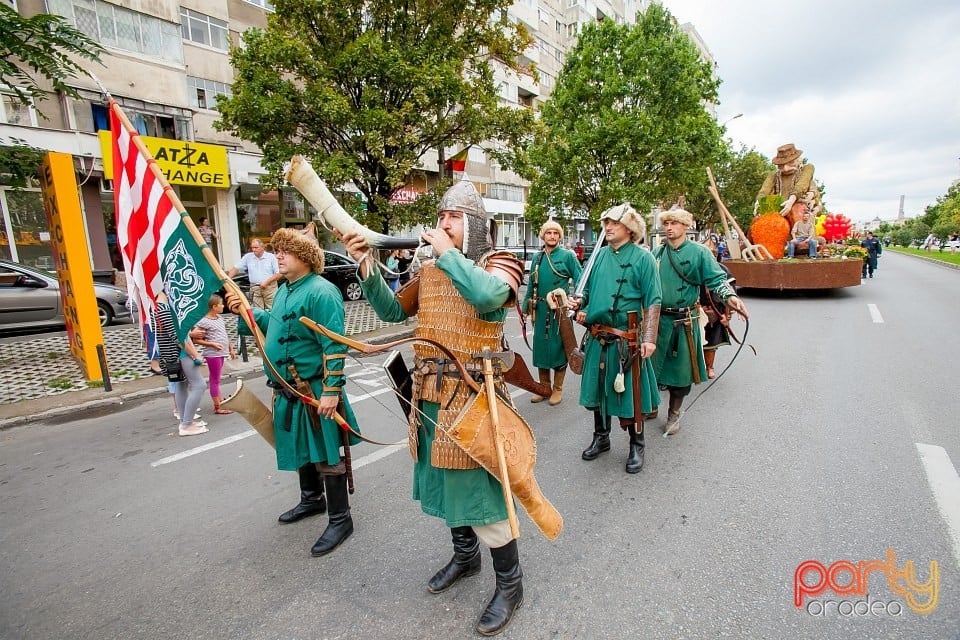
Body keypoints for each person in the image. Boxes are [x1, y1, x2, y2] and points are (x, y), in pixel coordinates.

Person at [343, 179, 529, 636]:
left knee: (480, 496)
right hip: (429, 395)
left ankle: (511, 584)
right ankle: (465, 559)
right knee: (443, 486)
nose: (444, 223)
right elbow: (390, 312)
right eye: (442, 216)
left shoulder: (501, 264)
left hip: (474, 398)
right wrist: (367, 266)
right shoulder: (430, 269)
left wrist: (447, 253)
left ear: (477, 226)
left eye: (455, 218)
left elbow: (486, 298)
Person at [226, 228, 362, 557]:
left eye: (286, 251)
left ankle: (341, 519)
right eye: (278, 250)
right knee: (302, 448)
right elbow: (276, 325)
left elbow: (334, 345)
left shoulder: (322, 292)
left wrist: (331, 391)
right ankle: (312, 500)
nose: (279, 256)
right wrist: (246, 311)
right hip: (288, 389)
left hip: (315, 389)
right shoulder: (286, 290)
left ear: (306, 257)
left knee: (328, 455)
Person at [567, 204, 660, 474]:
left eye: (614, 223)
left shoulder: (644, 259)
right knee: (598, 391)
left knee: (632, 396)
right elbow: (586, 290)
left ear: (629, 229)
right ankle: (602, 437)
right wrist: (578, 301)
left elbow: (653, 300)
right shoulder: (598, 257)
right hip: (598, 336)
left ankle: (636, 444)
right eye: (606, 222)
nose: (607, 227)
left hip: (626, 339)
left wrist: (650, 337)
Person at [651, 208, 749, 436]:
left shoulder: (700, 253)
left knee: (680, 374)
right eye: (666, 223)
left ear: (685, 226)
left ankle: (674, 414)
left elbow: (717, 279)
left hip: (684, 321)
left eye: (674, 223)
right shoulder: (656, 253)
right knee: (651, 369)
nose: (669, 227)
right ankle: (651, 405)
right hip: (657, 321)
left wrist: (731, 297)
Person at [521, 220, 582, 405]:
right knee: (541, 350)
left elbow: (581, 280)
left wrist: (577, 301)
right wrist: (525, 309)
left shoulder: (568, 256)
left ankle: (557, 389)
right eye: (549, 233)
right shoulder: (538, 258)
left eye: (556, 233)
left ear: (560, 236)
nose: (552, 236)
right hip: (540, 310)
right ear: (543, 235)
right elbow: (531, 285)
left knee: (558, 350)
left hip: (559, 311)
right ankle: (544, 387)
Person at [154, 292, 208, 436]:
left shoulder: (164, 304)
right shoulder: (163, 306)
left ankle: (185, 421)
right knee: (199, 385)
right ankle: (186, 424)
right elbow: (178, 336)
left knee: (181, 385)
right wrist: (194, 353)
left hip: (179, 353)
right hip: (179, 353)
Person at [191, 294, 237, 415]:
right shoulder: (203, 321)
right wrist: (212, 345)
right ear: (214, 306)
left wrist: (230, 348)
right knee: (215, 380)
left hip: (222, 352)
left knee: (216, 379)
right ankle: (218, 406)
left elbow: (224, 335)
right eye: (221, 304)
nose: (223, 306)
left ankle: (220, 401)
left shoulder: (219, 318)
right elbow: (196, 340)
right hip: (213, 354)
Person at [756, 143, 822, 219]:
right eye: (781, 165)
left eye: (791, 163)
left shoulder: (806, 171)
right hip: (779, 216)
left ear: (798, 160)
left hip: (800, 216)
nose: (786, 169)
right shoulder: (774, 175)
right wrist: (759, 204)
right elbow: (764, 192)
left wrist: (792, 201)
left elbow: (803, 186)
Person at [228, 239, 280, 310]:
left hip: (269, 287)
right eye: (252, 248)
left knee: (273, 309)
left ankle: (271, 321)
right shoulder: (248, 257)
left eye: (256, 247)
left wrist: (266, 282)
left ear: (262, 247)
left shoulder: (271, 257)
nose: (254, 250)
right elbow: (236, 268)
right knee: (257, 310)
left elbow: (279, 273)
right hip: (254, 288)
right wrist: (227, 278)